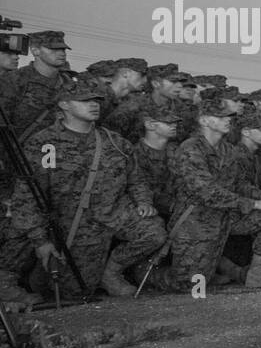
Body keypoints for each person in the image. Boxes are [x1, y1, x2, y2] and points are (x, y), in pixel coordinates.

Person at [9, 82, 166, 297]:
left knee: (153, 232)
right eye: (85, 101)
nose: (94, 105)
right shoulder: (45, 143)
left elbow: (136, 179)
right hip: (71, 221)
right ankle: (36, 279)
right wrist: (41, 240)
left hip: (111, 212)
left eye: (96, 101)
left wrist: (143, 202)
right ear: (64, 104)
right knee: (75, 291)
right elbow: (28, 195)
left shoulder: (114, 141)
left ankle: (111, 273)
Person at [165, 99, 261, 292]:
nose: (227, 121)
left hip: (226, 216)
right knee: (189, 285)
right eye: (221, 117)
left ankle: (257, 273)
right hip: (196, 221)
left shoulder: (228, 150)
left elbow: (239, 183)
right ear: (205, 121)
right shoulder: (190, 148)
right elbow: (207, 192)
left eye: (229, 117)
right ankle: (146, 273)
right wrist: (255, 204)